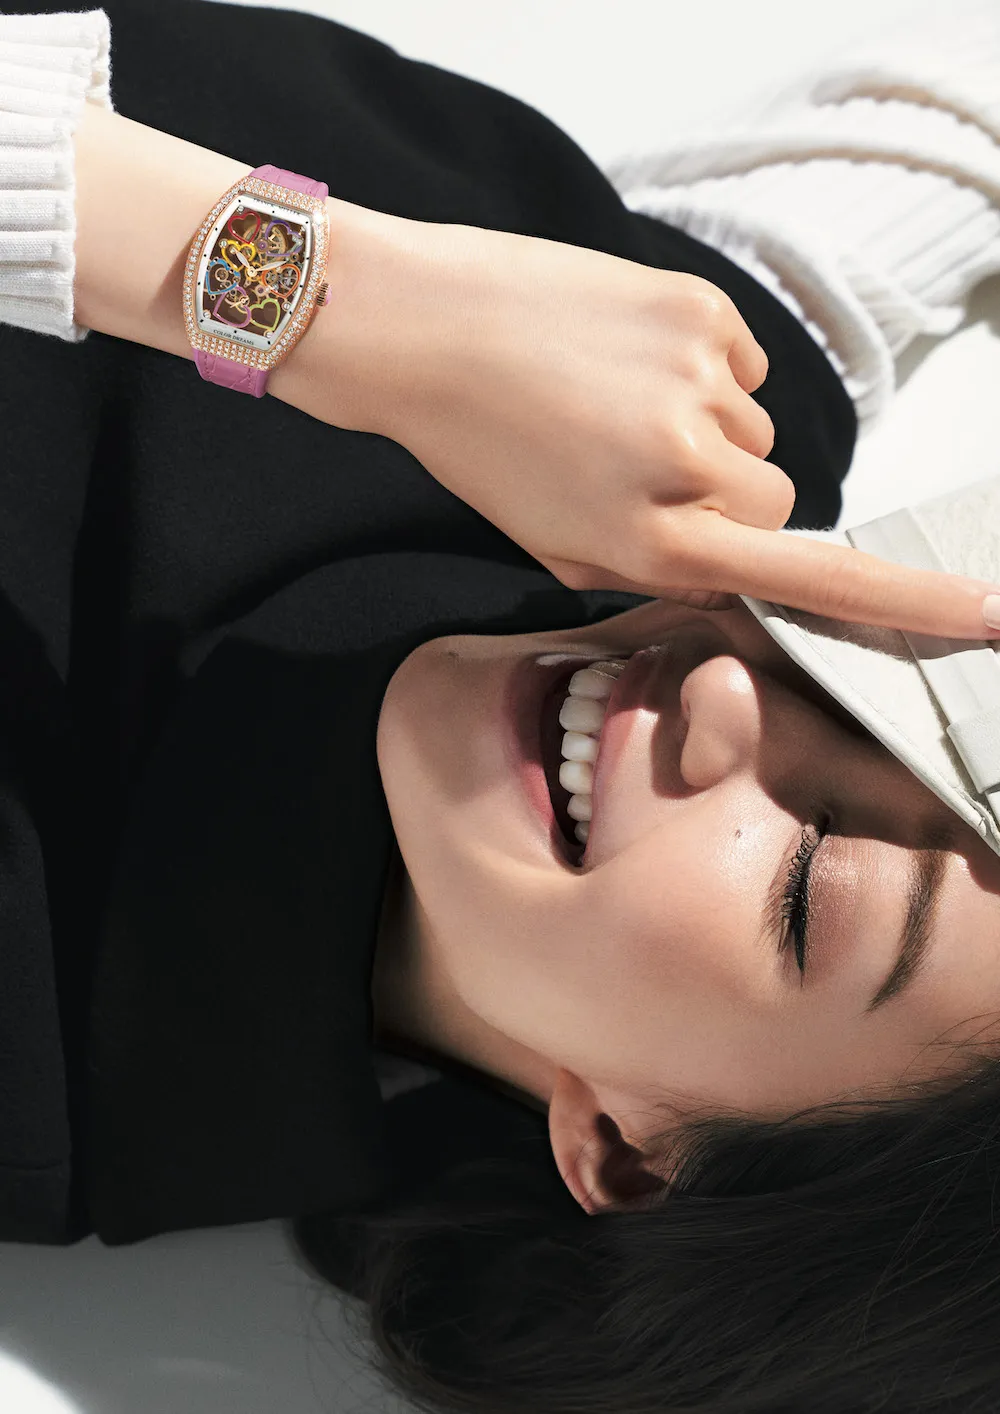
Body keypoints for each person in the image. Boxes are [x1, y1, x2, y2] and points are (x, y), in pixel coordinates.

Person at [1, 3, 1000, 1411]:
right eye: (871, 664)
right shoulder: (695, 422)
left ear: (637, 1160)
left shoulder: (36, 1049)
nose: (725, 687)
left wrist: (345, 302)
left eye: (806, 884)